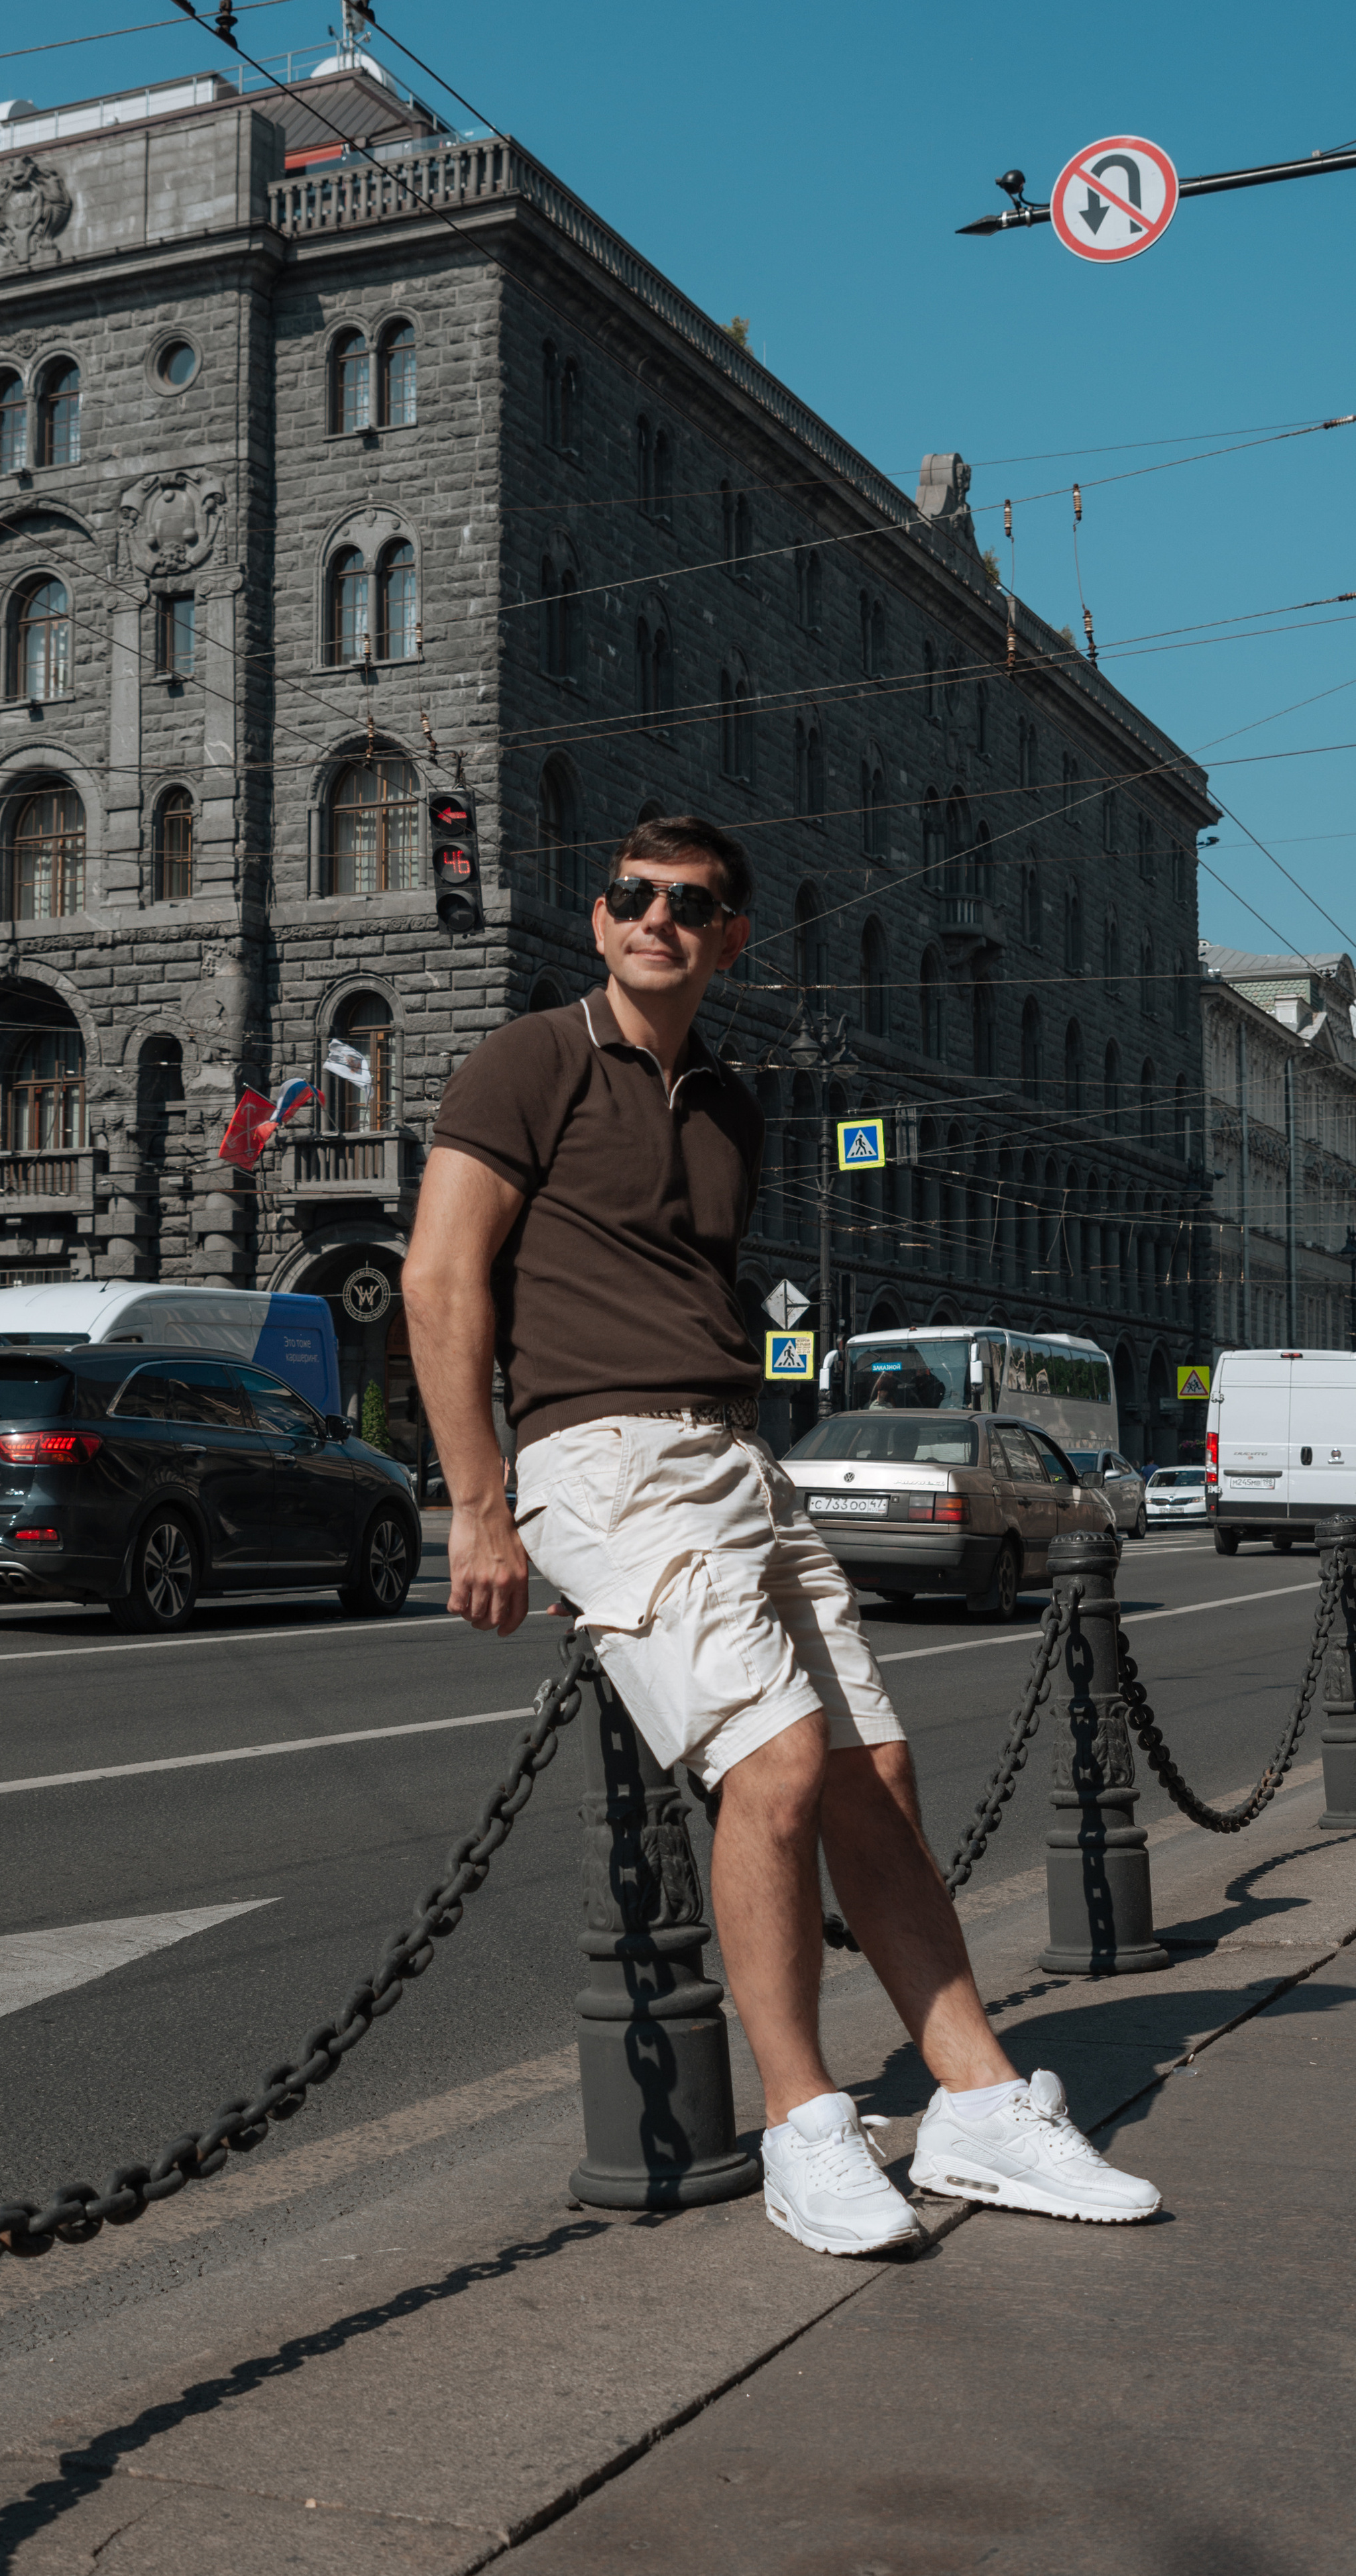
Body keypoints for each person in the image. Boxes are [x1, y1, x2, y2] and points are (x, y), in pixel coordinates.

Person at [402, 813, 1159, 2259]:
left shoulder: (735, 1103)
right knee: (777, 1763)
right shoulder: (529, 1061)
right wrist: (482, 1509)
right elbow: (441, 1283)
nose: (655, 921)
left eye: (689, 905)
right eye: (631, 896)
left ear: (729, 935)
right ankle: (805, 2126)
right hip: (603, 1458)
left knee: (874, 1767)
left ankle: (972, 2102)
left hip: (736, 1455)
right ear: (597, 914)